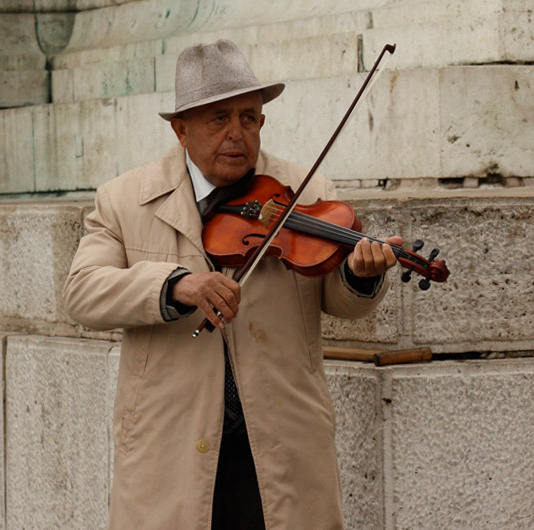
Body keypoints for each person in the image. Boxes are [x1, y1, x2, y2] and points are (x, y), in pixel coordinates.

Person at [63, 39, 402, 530]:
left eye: (248, 117)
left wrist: (359, 276)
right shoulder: (123, 201)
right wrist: (174, 286)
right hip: (171, 451)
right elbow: (82, 291)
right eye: (217, 118)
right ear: (181, 130)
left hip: (279, 447)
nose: (236, 134)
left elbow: (338, 300)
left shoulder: (306, 193)